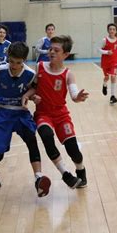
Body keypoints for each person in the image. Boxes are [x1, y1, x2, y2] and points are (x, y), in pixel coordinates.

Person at [0, 41, 51, 197]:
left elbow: (33, 88)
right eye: (11, 61)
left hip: (21, 113)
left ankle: (38, 178)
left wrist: (32, 96)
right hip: (2, 114)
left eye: (18, 62)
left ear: (24, 60)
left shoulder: (30, 74)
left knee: (32, 140)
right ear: (8, 57)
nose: (14, 65)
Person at [26, 35, 89, 189]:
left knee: (73, 149)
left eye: (56, 50)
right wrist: (32, 96)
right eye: (50, 49)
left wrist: (78, 97)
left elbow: (73, 95)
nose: (51, 52)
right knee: (47, 137)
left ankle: (81, 171)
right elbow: (32, 87)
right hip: (43, 114)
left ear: (65, 55)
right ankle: (65, 174)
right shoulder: (40, 66)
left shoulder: (68, 74)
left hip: (61, 115)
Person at [99, 23, 117, 104]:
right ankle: (104, 85)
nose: (112, 31)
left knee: (113, 77)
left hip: (114, 61)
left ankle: (112, 96)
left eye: (113, 29)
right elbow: (98, 49)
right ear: (108, 30)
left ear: (116, 31)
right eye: (110, 29)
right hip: (105, 62)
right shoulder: (104, 40)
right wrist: (106, 52)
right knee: (106, 77)